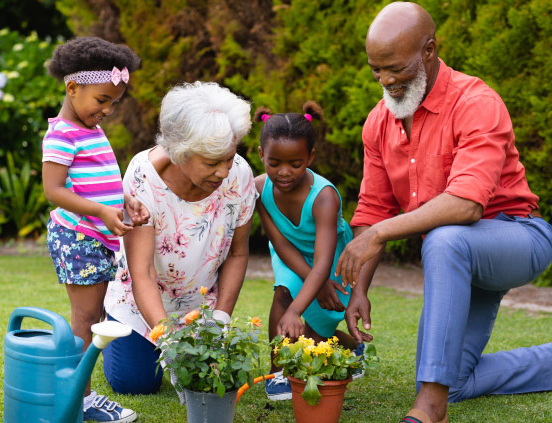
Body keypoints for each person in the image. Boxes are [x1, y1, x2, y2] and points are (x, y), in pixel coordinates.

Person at [336, 3, 552, 423]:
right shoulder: (378, 123)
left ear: (430, 50)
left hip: (518, 237)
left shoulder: (476, 102)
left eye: (394, 68)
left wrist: (380, 234)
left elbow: (466, 204)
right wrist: (358, 290)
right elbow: (373, 209)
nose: (385, 81)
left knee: (445, 236)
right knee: (454, 380)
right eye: (375, 70)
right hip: (459, 255)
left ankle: (430, 409)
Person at [102, 81, 257, 401]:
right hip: (140, 301)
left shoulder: (239, 174)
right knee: (135, 382)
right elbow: (141, 273)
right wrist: (170, 343)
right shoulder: (143, 176)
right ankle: (115, 327)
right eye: (212, 162)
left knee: (214, 378)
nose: (224, 171)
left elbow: (238, 254)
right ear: (180, 153)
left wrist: (221, 319)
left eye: (228, 157)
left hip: (201, 308)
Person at [42, 36, 146, 423]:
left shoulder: (90, 128)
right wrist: (102, 210)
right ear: (72, 88)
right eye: (102, 100)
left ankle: (80, 393)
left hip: (94, 236)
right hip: (77, 238)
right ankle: (80, 400)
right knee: (85, 320)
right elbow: (53, 190)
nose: (108, 110)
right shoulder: (62, 134)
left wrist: (123, 200)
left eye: (114, 103)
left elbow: (97, 178)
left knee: (95, 314)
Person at [254, 102, 372, 401]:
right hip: (290, 254)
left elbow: (323, 262)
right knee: (283, 293)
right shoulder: (258, 189)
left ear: (311, 157)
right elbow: (280, 244)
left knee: (314, 335)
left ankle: (353, 346)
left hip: (331, 261)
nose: (284, 172)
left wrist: (319, 286)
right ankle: (277, 373)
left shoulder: (324, 197)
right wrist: (297, 300)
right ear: (260, 156)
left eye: (295, 163)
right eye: (274, 162)